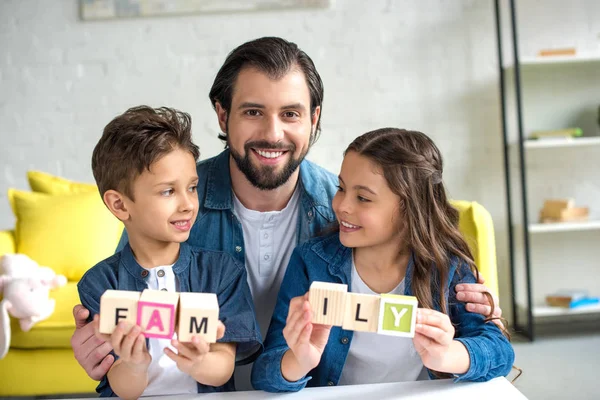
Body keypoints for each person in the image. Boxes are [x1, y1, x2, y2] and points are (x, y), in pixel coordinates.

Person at [70, 37, 504, 391]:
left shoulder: (342, 213)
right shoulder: (172, 203)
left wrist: (473, 327)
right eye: (253, 112)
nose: (273, 133)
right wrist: (102, 350)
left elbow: (462, 311)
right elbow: (125, 299)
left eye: (291, 114)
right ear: (223, 114)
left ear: (314, 120)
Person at [251, 128, 514, 391]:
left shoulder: (447, 267)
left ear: (409, 208)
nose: (342, 205)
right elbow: (264, 372)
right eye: (341, 188)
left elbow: (500, 353)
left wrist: (449, 354)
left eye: (363, 198)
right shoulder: (311, 261)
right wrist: (298, 360)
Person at [77, 106, 261, 398]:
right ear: (120, 205)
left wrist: (200, 361)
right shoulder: (100, 284)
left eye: (192, 187)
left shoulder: (222, 271)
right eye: (168, 191)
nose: (188, 204)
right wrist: (135, 365)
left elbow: (223, 368)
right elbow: (122, 388)